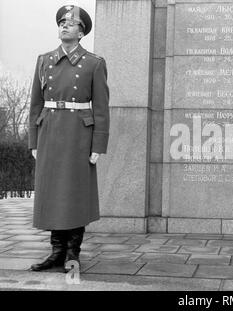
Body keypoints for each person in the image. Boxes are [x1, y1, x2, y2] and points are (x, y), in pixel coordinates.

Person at [28, 5, 110, 272]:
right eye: (62, 22)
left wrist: (98, 145)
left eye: (71, 23)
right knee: (52, 192)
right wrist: (34, 141)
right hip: (50, 131)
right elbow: (35, 104)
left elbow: (101, 108)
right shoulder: (44, 60)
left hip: (79, 135)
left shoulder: (94, 63)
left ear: (81, 32)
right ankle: (56, 251)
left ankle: (72, 253)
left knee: (74, 193)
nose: (64, 26)